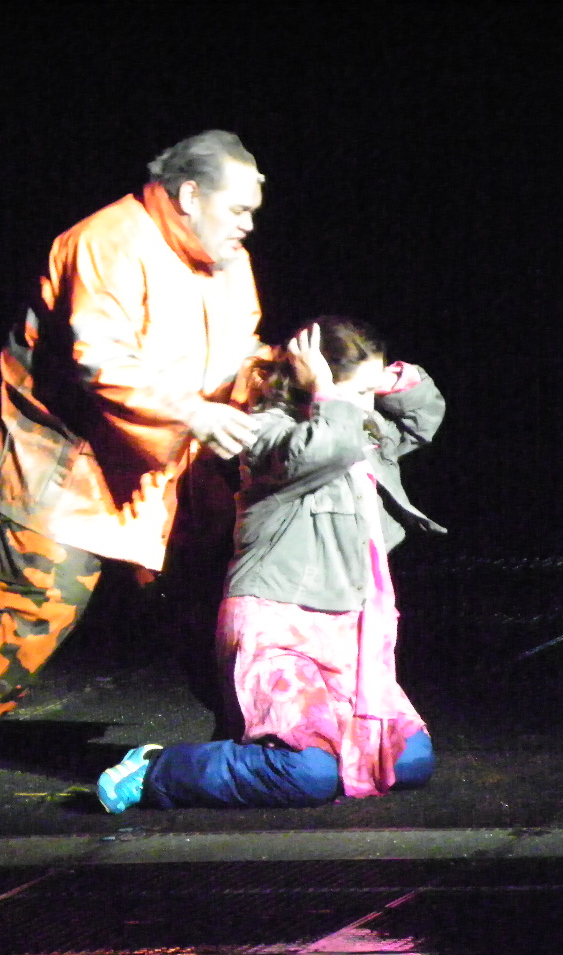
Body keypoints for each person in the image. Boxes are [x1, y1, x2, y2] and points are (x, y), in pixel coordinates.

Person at [0, 131, 269, 805]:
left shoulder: (226, 258)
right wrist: (194, 411)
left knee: (213, 590)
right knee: (43, 599)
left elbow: (241, 350)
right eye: (239, 209)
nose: (248, 225)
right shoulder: (106, 241)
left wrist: (294, 385)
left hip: (165, 455)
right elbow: (102, 362)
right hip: (69, 459)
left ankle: (248, 732)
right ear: (189, 196)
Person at [95, 317, 446, 812]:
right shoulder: (268, 433)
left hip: (348, 630)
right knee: (307, 775)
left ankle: (273, 755)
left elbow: (422, 416)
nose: (367, 406)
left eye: (373, 393)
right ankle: (160, 769)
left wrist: (383, 378)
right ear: (315, 383)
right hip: (279, 624)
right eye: (358, 392)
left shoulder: (355, 427)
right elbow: (325, 449)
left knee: (407, 762)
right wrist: (329, 389)